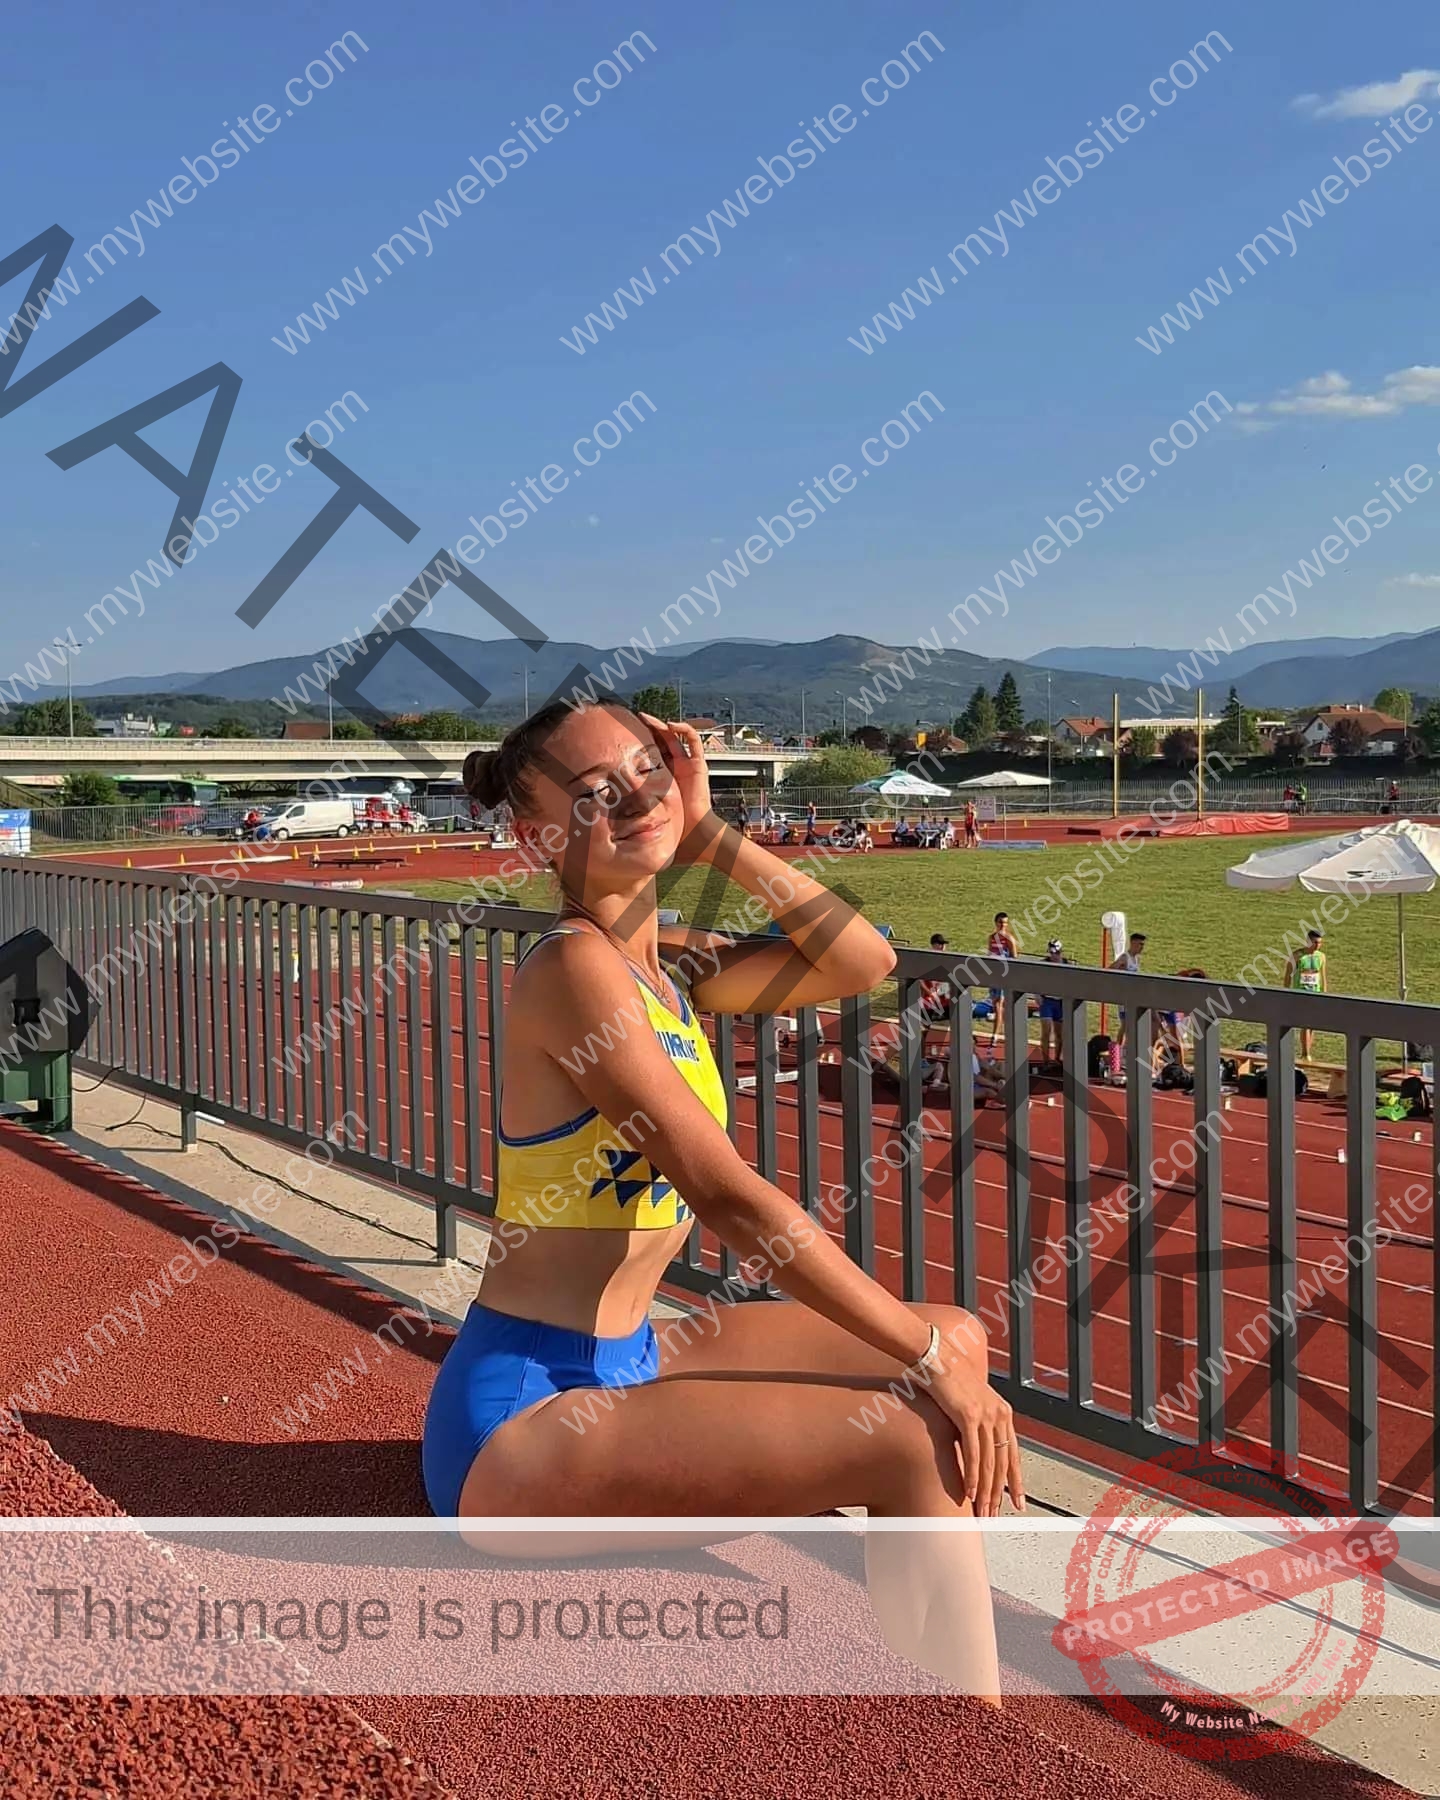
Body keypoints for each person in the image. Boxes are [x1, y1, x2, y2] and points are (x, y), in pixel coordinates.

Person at [422, 701, 1020, 1701]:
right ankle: (971, 1738)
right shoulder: (573, 968)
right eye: (595, 793)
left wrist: (710, 835)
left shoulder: (667, 969)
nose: (635, 798)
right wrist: (916, 1361)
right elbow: (723, 1195)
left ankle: (938, 1677)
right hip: (526, 1415)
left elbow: (863, 960)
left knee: (957, 1337)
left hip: (631, 1355)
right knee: (916, 1425)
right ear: (537, 838)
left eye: (647, 770)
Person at [1285, 929, 1326, 1059]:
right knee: (1305, 1024)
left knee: (1312, 1025)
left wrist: (1325, 995)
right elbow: (1288, 975)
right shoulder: (1297, 955)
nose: (1317, 945)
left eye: (1319, 943)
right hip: (1301, 994)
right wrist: (1286, 992)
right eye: (1315, 942)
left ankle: (1308, 1052)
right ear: (1308, 941)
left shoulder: (1321, 957)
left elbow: (1323, 977)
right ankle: (1305, 1054)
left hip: (1315, 994)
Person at [1107, 931, 1147, 1064]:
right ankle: (1118, 1054)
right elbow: (1109, 970)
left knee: (1129, 1025)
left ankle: (1122, 1053)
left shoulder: (1137, 959)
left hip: (1133, 997)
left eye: (1143, 945)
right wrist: (1120, 980)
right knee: (1126, 1025)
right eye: (1140, 944)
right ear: (1133, 943)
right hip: (1124, 998)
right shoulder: (1125, 958)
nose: (1142, 947)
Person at [1036, 940, 1069, 1070]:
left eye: (1055, 953)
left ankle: (1057, 1058)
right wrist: (1037, 995)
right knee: (1046, 1032)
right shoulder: (1043, 964)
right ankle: (1045, 1061)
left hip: (1060, 1002)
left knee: (1059, 1034)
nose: (1053, 956)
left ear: (1060, 952)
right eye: (1051, 953)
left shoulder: (1067, 965)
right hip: (1047, 1001)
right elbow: (1034, 980)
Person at [987, 911, 1018, 1046]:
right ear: (996, 923)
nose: (1003, 925)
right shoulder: (992, 938)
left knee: (999, 1004)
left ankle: (995, 1035)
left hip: (1003, 976)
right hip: (993, 975)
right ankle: (1004, 1031)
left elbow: (1015, 958)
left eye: (1005, 923)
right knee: (996, 1004)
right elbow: (989, 954)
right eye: (1000, 922)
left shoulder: (1009, 939)